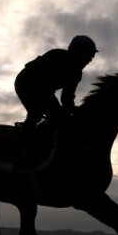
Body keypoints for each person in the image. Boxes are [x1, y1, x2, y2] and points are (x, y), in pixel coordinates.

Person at [14, 35, 98, 164]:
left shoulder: (77, 73)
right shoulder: (56, 56)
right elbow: (41, 86)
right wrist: (58, 110)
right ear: (77, 52)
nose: (90, 60)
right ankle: (21, 150)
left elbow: (67, 96)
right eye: (89, 55)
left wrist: (71, 108)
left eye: (92, 56)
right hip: (27, 83)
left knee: (61, 118)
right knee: (37, 113)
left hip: (44, 90)